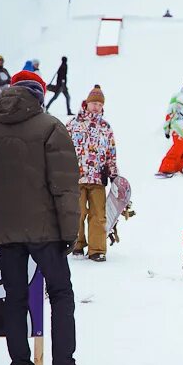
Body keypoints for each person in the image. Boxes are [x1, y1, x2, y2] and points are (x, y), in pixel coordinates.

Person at [0, 70, 96, 365]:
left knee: (14, 298)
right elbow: (64, 187)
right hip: (44, 229)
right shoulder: (51, 127)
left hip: (4, 227)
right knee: (60, 293)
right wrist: (70, 233)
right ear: (40, 95)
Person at [66, 86, 118, 262]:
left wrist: (113, 173)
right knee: (77, 212)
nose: (96, 106)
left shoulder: (106, 127)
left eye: (99, 104)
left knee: (98, 214)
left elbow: (111, 152)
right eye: (93, 103)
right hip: (77, 177)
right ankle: (77, 244)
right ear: (86, 104)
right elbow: (63, 150)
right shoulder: (73, 124)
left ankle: (97, 249)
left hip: (97, 178)